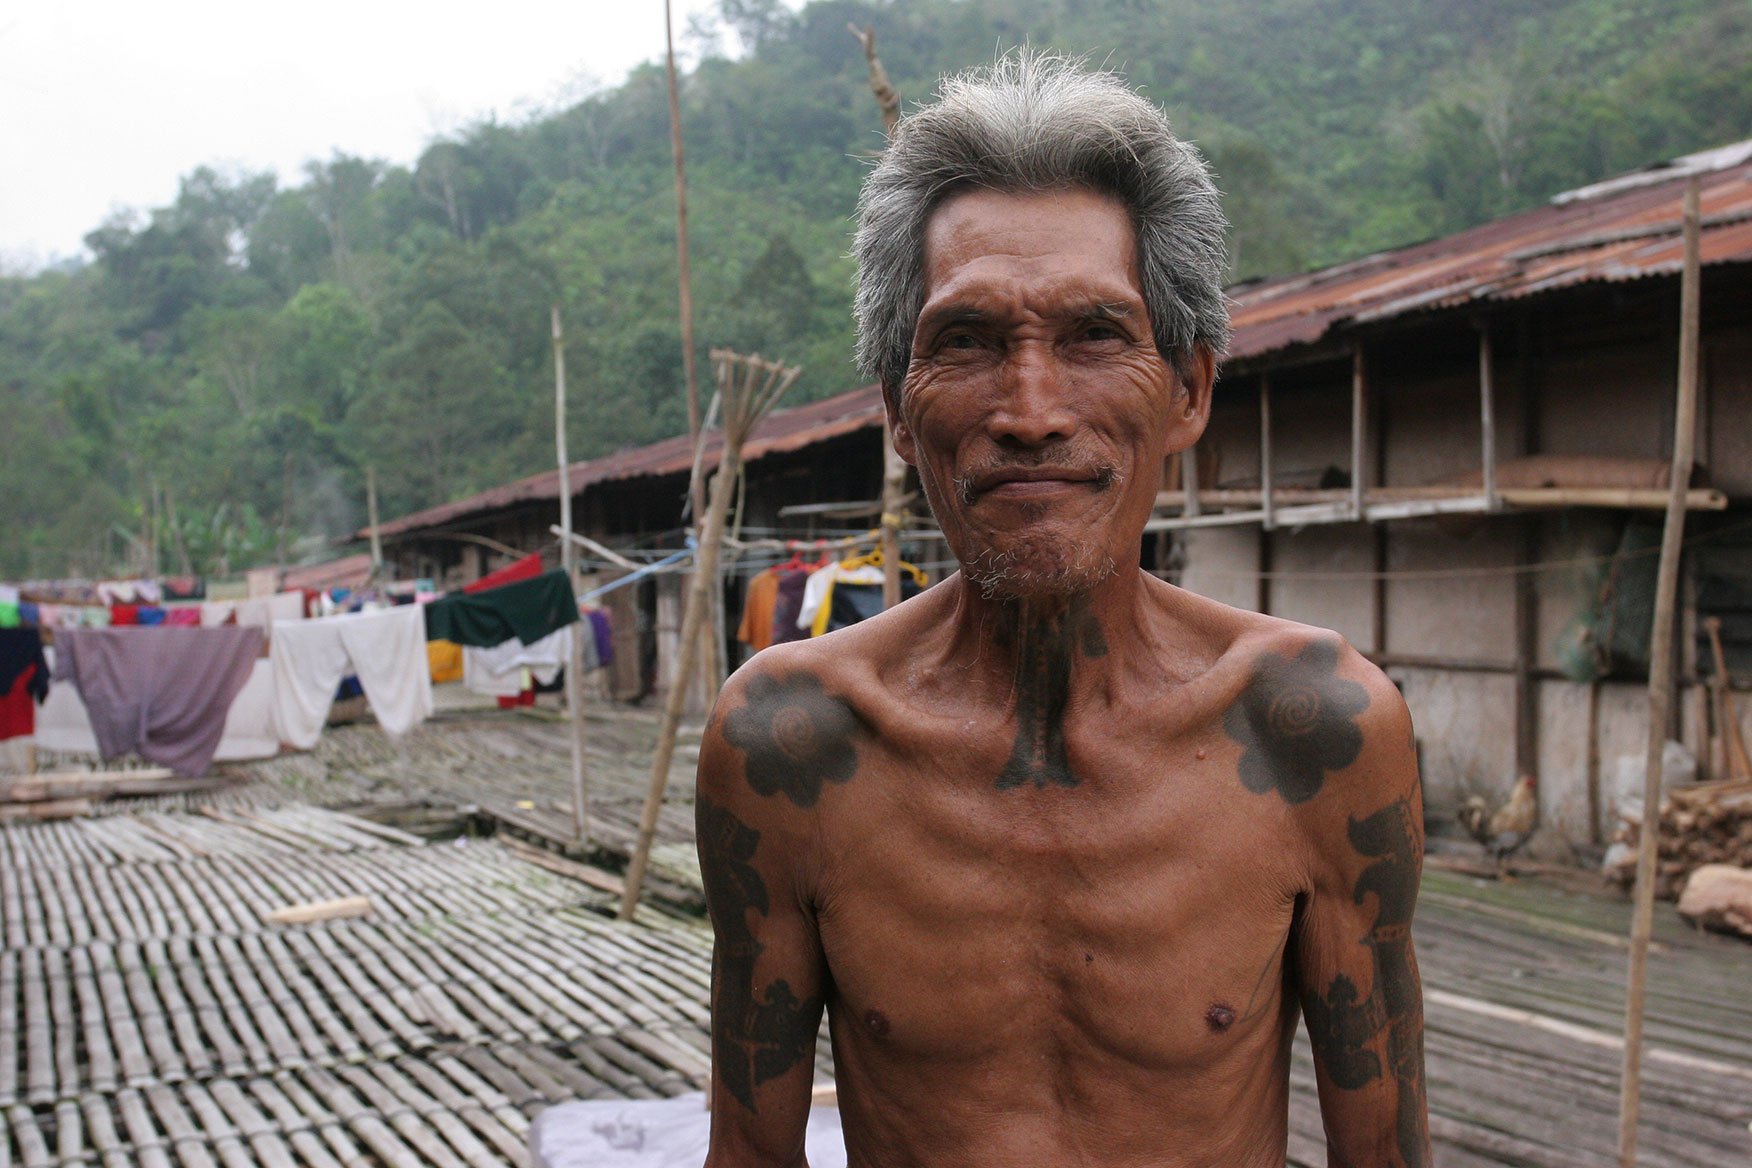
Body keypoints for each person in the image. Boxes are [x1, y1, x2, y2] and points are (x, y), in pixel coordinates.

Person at [697, 53, 1429, 1168]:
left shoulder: (1315, 733)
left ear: (1186, 390)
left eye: (1094, 335)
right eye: (968, 341)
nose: (1030, 411)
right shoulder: (789, 747)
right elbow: (751, 1156)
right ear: (898, 409)